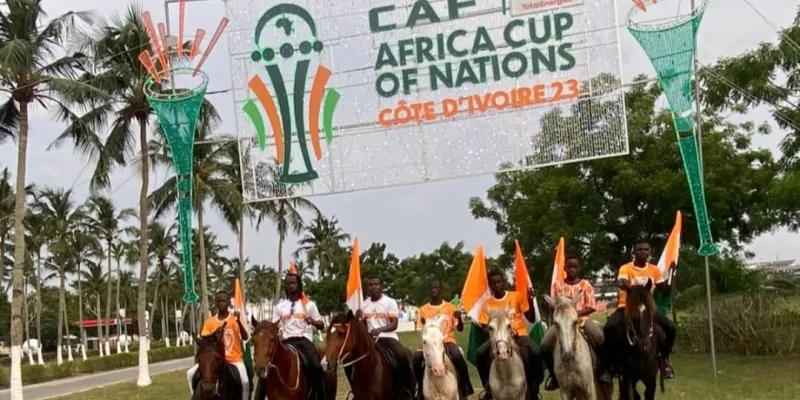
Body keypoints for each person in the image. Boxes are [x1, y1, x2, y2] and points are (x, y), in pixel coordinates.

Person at [603, 240, 677, 379]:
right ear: (634, 252)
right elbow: (622, 282)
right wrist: (631, 288)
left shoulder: (654, 270)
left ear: (650, 252)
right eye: (640, 250)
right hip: (627, 308)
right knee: (609, 327)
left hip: (648, 310)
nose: (644, 252)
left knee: (671, 329)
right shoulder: (626, 268)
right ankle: (611, 363)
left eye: (646, 250)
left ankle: (665, 361)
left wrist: (671, 274)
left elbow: (665, 291)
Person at [475, 270, 544, 400]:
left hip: (519, 335)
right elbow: (484, 327)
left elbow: (530, 317)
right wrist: (493, 331)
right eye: (493, 283)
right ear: (490, 286)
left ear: (503, 282)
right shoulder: (487, 305)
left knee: (535, 351)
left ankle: (533, 386)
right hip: (497, 337)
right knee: (479, 353)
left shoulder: (516, 296)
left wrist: (530, 301)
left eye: (499, 282)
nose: (497, 285)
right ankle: (488, 387)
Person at [541, 255, 605, 391]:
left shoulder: (585, 285)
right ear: (565, 268)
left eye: (575, 267)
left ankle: (603, 370)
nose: (572, 269)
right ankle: (554, 376)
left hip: (582, 320)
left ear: (579, 268)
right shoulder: (557, 285)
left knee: (599, 337)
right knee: (545, 344)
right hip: (562, 322)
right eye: (569, 267)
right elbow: (554, 305)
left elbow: (591, 305)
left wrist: (575, 314)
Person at [412, 279, 475, 399]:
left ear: (441, 290)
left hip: (447, 340)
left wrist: (460, 318)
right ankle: (420, 388)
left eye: (436, 288)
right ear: (429, 291)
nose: (434, 290)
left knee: (457, 356)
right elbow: (421, 329)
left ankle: (465, 385)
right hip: (430, 342)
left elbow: (460, 328)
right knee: (416, 358)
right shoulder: (423, 310)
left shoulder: (450, 307)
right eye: (431, 288)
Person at [270, 273, 328, 400]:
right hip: (285, 342)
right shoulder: (280, 307)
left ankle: (321, 396)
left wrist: (312, 321)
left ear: (299, 285)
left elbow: (321, 325)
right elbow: (274, 327)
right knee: (268, 368)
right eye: (288, 283)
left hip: (303, 341)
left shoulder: (309, 305)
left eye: (293, 283)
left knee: (316, 366)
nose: (290, 286)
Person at [356, 276, 415, 398]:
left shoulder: (389, 302)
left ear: (381, 286)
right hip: (371, 340)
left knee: (402, 355)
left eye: (376, 284)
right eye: (371, 285)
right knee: (352, 359)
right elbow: (363, 326)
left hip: (388, 337)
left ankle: (405, 388)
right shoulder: (364, 305)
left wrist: (379, 330)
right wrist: (359, 319)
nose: (373, 287)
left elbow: (394, 324)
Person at [186, 291, 250, 400]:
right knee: (190, 374)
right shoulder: (210, 322)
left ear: (229, 302)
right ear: (215, 303)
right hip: (214, 359)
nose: (221, 303)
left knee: (245, 381)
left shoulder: (235, 319)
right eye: (218, 301)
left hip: (234, 359)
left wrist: (238, 321)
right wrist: (216, 333)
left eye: (224, 301)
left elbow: (245, 336)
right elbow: (205, 341)